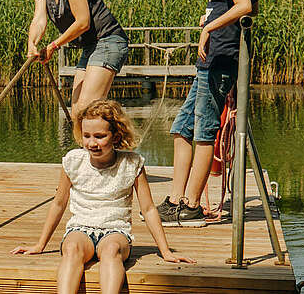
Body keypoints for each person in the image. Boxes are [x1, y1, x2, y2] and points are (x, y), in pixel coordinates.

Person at [11, 100, 194, 294]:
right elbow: (59, 203)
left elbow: (148, 209)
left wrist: (164, 251)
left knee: (111, 250)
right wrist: (40, 244)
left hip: (115, 231)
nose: (91, 143)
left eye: (99, 136)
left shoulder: (131, 163)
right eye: (86, 136)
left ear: (116, 136)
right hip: (80, 228)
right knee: (72, 248)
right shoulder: (73, 161)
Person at [159, 0, 261, 226]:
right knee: (181, 129)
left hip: (217, 61)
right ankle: (176, 200)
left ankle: (190, 206)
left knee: (203, 134)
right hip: (215, 62)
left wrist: (208, 28)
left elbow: (243, 6)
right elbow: (254, 6)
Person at [26, 0, 129, 118]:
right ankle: (92, 146)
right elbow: (39, 19)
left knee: (87, 109)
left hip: (108, 40)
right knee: (77, 114)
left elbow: (83, 22)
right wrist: (31, 44)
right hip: (90, 47)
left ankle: (113, 141)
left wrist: (54, 45)